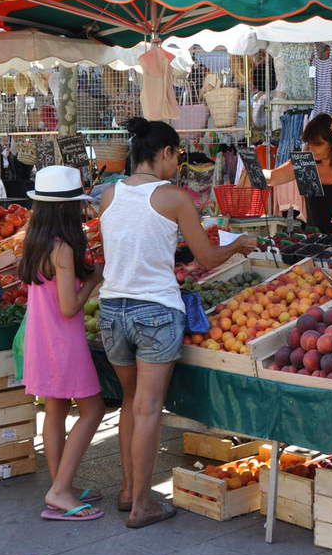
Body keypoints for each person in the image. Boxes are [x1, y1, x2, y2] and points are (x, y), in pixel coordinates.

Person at [99, 118, 257, 528]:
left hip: (113, 310)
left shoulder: (109, 194)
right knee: (149, 408)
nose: (178, 165)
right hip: (154, 310)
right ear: (165, 152)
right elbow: (206, 258)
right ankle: (143, 505)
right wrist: (238, 245)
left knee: (131, 404)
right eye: (177, 157)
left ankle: (128, 490)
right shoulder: (175, 198)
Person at [19, 165, 106, 522]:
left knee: (54, 411)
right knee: (93, 410)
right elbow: (71, 307)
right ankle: (59, 490)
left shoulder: (33, 241)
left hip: (39, 339)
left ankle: (60, 485)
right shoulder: (64, 248)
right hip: (64, 342)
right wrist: (95, 280)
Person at [262, 113, 332, 243]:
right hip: (317, 244)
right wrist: (254, 171)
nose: (312, 149)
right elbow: (272, 177)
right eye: (309, 144)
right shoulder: (304, 163)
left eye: (318, 144)